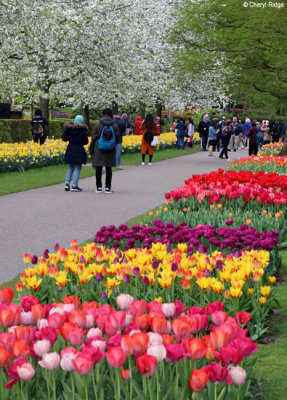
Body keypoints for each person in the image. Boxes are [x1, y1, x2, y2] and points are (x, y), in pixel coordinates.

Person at [89, 108, 120, 194]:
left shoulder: (98, 124)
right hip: (110, 149)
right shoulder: (114, 125)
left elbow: (94, 137)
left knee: (98, 168)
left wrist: (91, 149)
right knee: (108, 168)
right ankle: (108, 188)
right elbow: (117, 137)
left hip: (98, 148)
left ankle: (99, 187)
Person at [62, 115, 89, 192]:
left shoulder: (69, 129)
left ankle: (67, 184)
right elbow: (85, 142)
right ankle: (74, 185)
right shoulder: (83, 131)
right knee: (77, 168)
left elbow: (64, 138)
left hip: (70, 149)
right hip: (79, 150)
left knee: (70, 167)